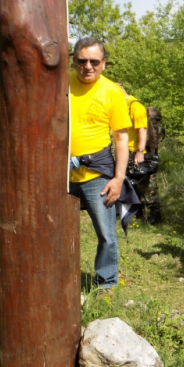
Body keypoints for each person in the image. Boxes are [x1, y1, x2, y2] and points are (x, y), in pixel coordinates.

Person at [68, 38, 131, 289]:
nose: (88, 66)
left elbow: (122, 139)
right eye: (82, 61)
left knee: (106, 233)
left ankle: (106, 283)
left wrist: (118, 179)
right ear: (74, 61)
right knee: (52, 227)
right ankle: (55, 275)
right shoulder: (60, 83)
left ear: (103, 64)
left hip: (97, 172)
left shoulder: (112, 92)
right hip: (58, 170)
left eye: (94, 61)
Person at [118, 85, 162, 224]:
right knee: (132, 183)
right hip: (127, 151)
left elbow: (142, 130)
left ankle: (155, 215)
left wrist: (140, 152)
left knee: (148, 186)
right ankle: (138, 214)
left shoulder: (135, 106)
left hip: (139, 152)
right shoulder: (122, 105)